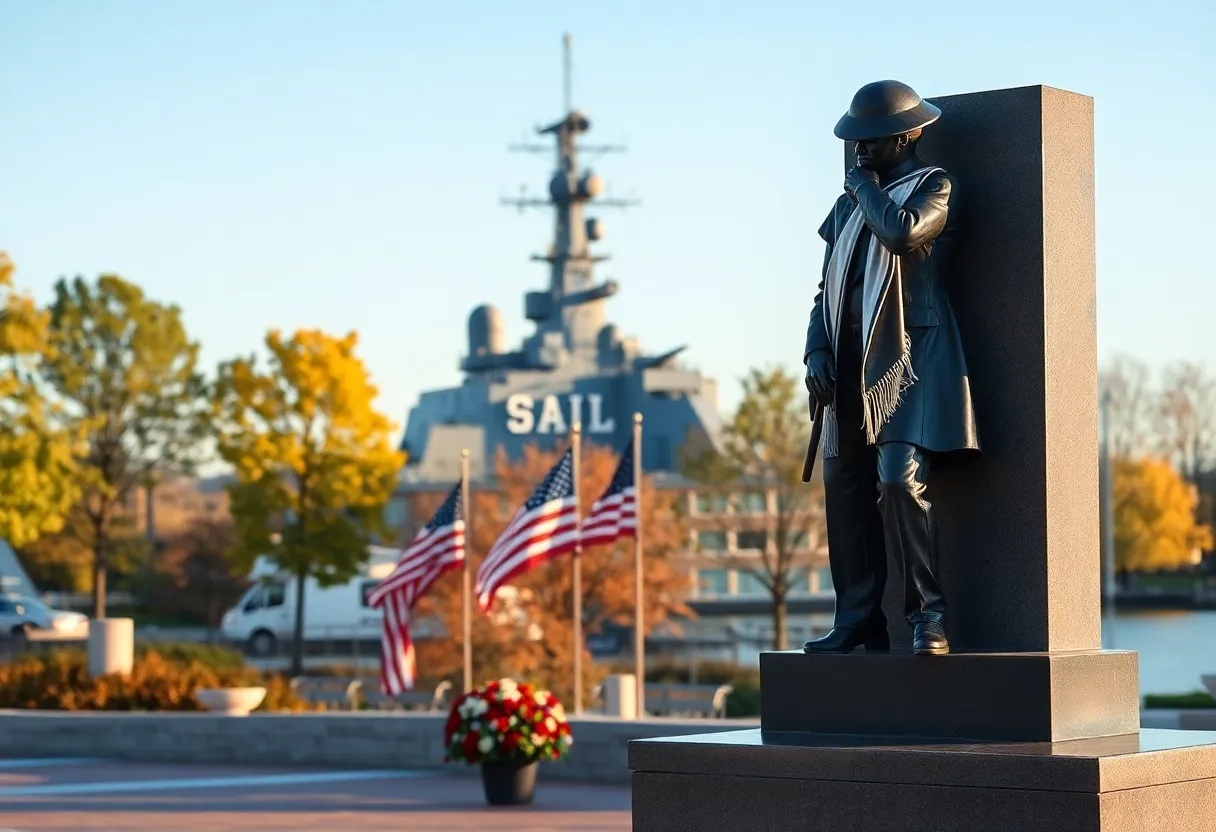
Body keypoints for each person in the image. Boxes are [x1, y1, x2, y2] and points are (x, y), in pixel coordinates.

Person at [802, 80, 980, 656]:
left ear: (906, 136)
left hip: (907, 363)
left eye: (869, 140)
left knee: (898, 480)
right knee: (843, 486)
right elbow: (825, 289)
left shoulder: (934, 186)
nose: (858, 149)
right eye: (853, 141)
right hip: (848, 371)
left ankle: (928, 616)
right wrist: (816, 351)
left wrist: (862, 188)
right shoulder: (849, 206)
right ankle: (857, 619)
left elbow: (902, 233)